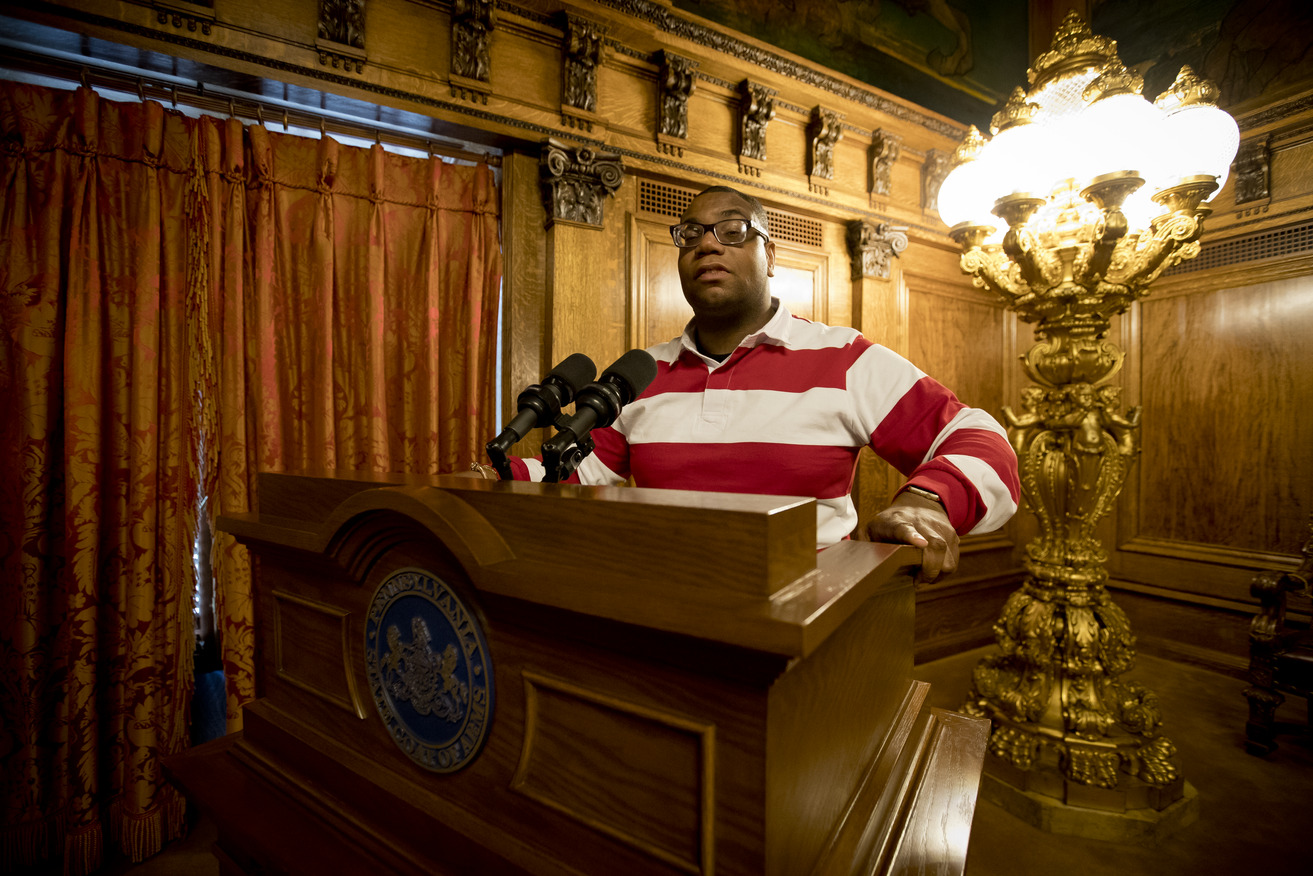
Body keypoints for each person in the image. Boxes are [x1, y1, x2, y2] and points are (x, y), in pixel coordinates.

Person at [497, 185, 1019, 582]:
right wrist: (487, 475)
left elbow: (980, 436)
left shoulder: (842, 358)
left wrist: (928, 503)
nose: (706, 244)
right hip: (665, 613)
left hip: (806, 626)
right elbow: (576, 473)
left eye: (732, 231)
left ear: (771, 257)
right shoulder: (642, 374)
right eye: (691, 234)